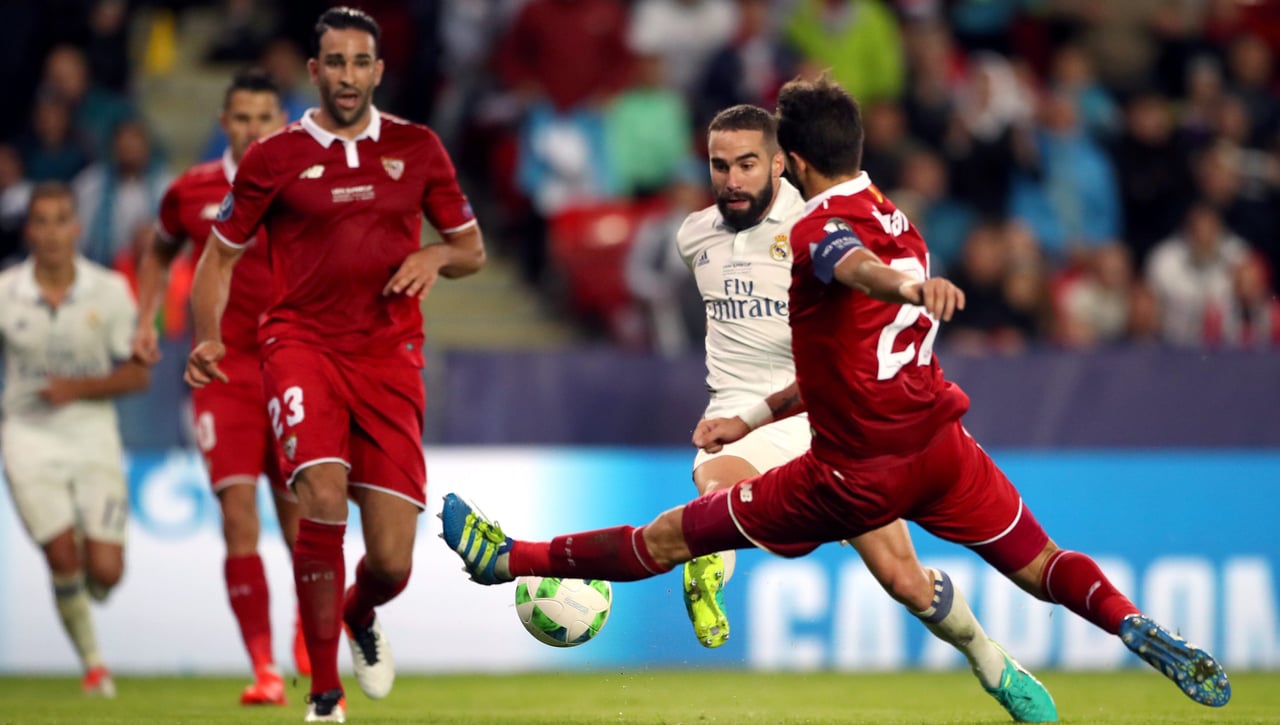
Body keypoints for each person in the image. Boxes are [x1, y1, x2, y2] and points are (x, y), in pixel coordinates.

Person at [441, 75, 1232, 718]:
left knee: (673, 535)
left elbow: (848, 263)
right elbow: (842, 337)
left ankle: (509, 559)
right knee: (1045, 562)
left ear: (788, 159)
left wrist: (904, 287)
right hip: (940, 446)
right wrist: (751, 414)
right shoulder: (902, 218)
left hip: (853, 472)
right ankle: (1125, 621)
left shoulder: (820, 229)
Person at [672, 103, 1053, 721]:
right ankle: (710, 570)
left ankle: (993, 664)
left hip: (830, 418)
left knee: (906, 580)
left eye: (746, 163)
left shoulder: (820, 222)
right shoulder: (694, 236)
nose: (732, 179)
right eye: (720, 166)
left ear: (780, 163)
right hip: (740, 419)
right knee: (715, 485)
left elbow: (871, 274)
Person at [185, 8, 486, 723]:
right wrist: (208, 338)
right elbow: (218, 255)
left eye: (361, 63)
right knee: (319, 495)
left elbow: (472, 250)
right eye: (335, 63)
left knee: (391, 562)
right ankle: (324, 692)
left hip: (388, 357)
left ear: (378, 71)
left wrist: (435, 253)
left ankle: (359, 611)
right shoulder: (273, 157)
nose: (348, 77)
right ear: (314, 72)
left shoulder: (418, 148)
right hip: (300, 347)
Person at [133, 67, 304, 707]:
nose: (254, 128)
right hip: (223, 376)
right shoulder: (192, 190)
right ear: (224, 122)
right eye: (242, 117)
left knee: (299, 523)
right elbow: (158, 248)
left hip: (292, 371)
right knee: (237, 516)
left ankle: (307, 641)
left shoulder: (304, 186)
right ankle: (263, 669)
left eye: (265, 117)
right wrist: (145, 318)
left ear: (279, 122)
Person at [0, 182, 150, 698]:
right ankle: (93, 666)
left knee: (105, 573)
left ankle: (90, 570)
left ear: (76, 227)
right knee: (62, 557)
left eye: (61, 219)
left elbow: (138, 374)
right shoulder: (4, 292)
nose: (51, 232)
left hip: (92, 436)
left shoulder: (109, 291)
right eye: (41, 221)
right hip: (26, 437)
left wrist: (78, 389)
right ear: (29, 230)